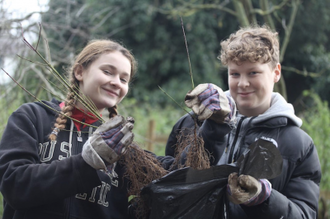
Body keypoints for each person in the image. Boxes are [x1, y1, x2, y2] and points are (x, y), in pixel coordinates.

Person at [164, 25, 321, 218]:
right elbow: (168, 186)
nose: (243, 83)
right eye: (235, 74)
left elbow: (305, 214)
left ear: (276, 72)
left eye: (253, 73)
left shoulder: (298, 145)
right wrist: (212, 130)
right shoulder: (191, 124)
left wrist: (265, 199)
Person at [0, 39, 139, 219]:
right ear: (80, 72)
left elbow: (170, 173)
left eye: (123, 79)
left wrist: (188, 124)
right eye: (107, 72)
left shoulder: (117, 143)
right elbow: (15, 184)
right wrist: (86, 163)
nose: (116, 83)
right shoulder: (31, 117)